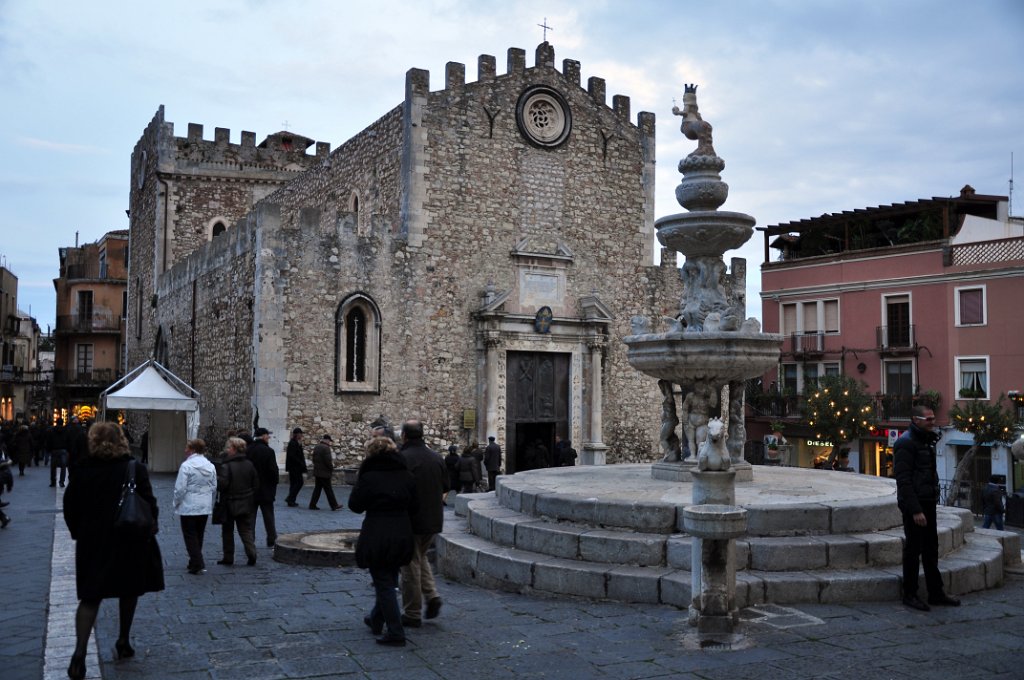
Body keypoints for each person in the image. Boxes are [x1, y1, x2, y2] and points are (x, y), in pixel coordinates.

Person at [62, 422, 164, 680]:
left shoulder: (81, 471)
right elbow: (150, 505)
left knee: (90, 597)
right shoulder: (135, 469)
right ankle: (123, 641)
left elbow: (70, 507)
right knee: (128, 591)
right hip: (128, 540)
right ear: (122, 440)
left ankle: (79, 653)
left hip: (93, 543)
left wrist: (79, 533)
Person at [348, 435, 418, 646]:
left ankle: (396, 632)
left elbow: (355, 505)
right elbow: (415, 507)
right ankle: (376, 619)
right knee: (389, 578)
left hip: (377, 531)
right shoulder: (407, 475)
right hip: (402, 531)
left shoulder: (369, 477)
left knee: (383, 582)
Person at [893, 405, 960, 611]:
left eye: (933, 418)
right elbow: (903, 480)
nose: (933, 422)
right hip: (916, 505)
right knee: (913, 550)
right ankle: (910, 594)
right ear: (916, 419)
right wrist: (915, 510)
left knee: (931, 549)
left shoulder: (926, 440)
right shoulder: (905, 443)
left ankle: (936, 592)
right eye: (929, 419)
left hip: (928, 501)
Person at [398, 419, 448, 627]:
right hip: (433, 519)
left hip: (410, 520)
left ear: (404, 436)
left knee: (409, 566)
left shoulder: (402, 459)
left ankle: (412, 612)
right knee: (421, 558)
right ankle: (432, 595)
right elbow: (446, 488)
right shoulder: (437, 458)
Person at [173, 438, 218, 575]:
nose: (185, 450)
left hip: (189, 504)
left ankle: (197, 561)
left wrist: (176, 502)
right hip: (204, 505)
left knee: (190, 535)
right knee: (199, 534)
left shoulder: (186, 466)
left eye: (187, 447)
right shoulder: (210, 465)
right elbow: (214, 486)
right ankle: (194, 561)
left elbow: (180, 488)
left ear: (192, 449)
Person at [217, 437, 260, 566]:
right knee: (245, 530)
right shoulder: (249, 464)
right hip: (246, 501)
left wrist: (218, 479)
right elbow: (256, 483)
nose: (227, 450)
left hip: (229, 502)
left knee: (227, 531)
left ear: (234, 449)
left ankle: (228, 557)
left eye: (229, 447)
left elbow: (222, 485)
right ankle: (252, 553)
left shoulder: (226, 466)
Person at [247, 427, 279, 547]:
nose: (269, 438)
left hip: (251, 489)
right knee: (268, 516)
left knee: (251, 516)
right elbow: (273, 472)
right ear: (263, 436)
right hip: (266, 489)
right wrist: (273, 486)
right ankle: (271, 538)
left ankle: (250, 540)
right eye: (267, 435)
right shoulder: (268, 451)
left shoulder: (248, 450)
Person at [309, 434, 342, 511]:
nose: (330, 442)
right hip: (324, 473)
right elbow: (328, 461)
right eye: (329, 441)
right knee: (328, 489)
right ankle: (334, 505)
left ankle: (312, 504)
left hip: (317, 471)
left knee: (317, 489)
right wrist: (331, 468)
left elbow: (313, 459)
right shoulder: (326, 448)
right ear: (327, 440)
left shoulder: (317, 447)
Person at [284, 427, 307, 507]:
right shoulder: (293, 443)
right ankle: (290, 498)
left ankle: (291, 501)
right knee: (299, 482)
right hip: (295, 468)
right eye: (300, 434)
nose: (301, 435)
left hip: (294, 467)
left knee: (294, 484)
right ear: (297, 434)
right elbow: (293, 456)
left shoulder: (295, 443)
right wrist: (300, 463)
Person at [46, 419, 70, 487]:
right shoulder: (66, 430)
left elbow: (49, 441)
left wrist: (48, 449)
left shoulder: (52, 430)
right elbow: (68, 440)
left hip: (54, 450)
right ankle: (61, 482)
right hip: (63, 450)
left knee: (53, 467)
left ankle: (53, 481)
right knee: (63, 466)